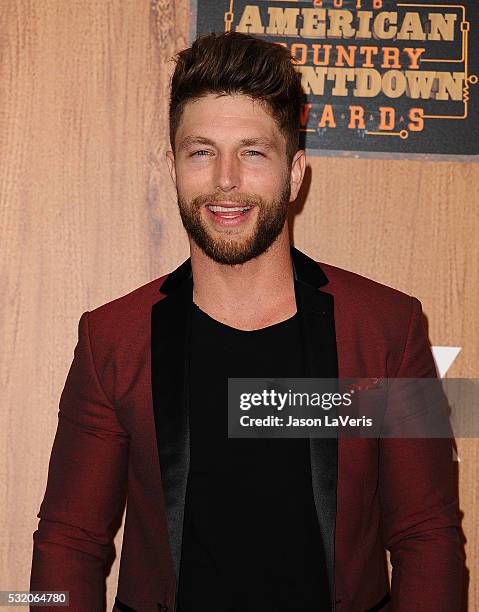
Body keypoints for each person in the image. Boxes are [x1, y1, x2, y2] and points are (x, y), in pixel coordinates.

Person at [30, 31, 463, 612]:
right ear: (173, 167)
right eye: (201, 151)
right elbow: (67, 541)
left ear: (296, 171)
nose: (226, 179)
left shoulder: (387, 330)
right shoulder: (113, 340)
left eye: (253, 152)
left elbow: (427, 534)